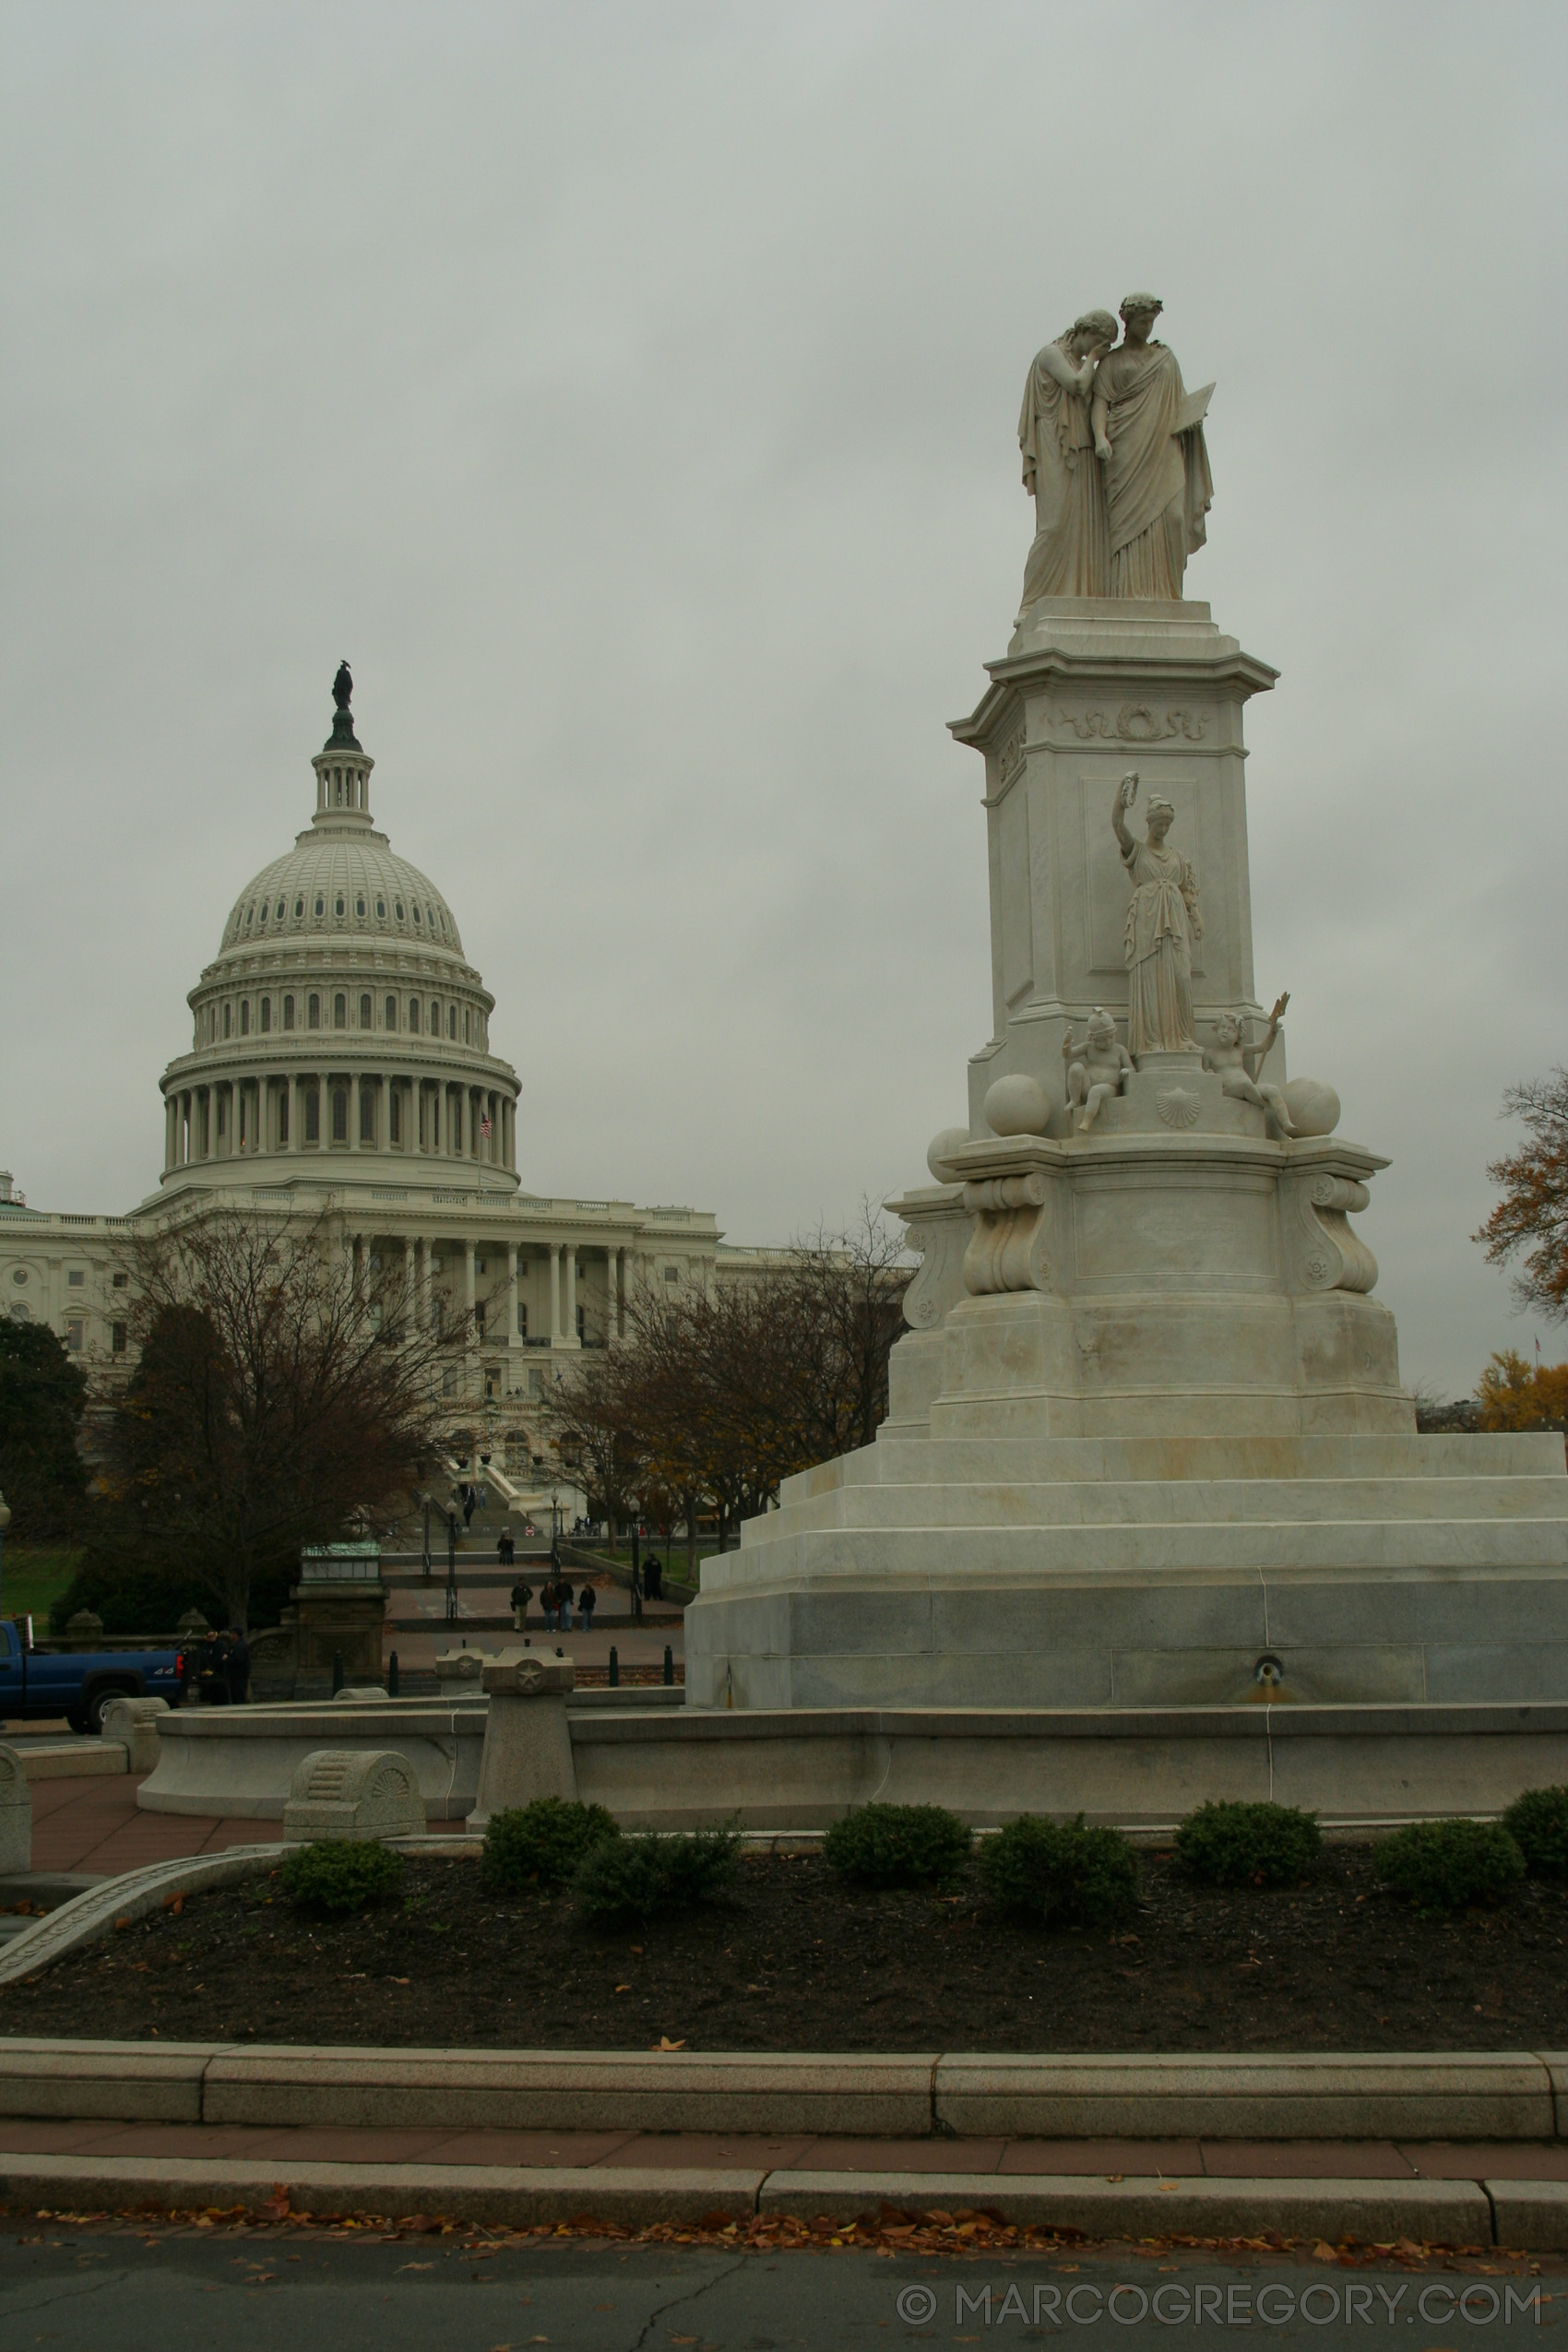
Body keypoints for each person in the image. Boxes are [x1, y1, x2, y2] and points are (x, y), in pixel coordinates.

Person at [1090, 292, 1213, 600]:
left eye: (1151, 322)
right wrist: (1100, 436)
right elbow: (1099, 404)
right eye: (1142, 322)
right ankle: (1127, 593)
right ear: (1127, 322)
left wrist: (1192, 419)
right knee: (1125, 527)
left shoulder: (1165, 359)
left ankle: (1170, 594)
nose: (1147, 328)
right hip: (1125, 448)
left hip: (1164, 445)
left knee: (1174, 517)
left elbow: (1178, 401)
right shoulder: (1111, 362)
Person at [1017, 308, 1117, 601]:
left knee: (1085, 525)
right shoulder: (1052, 354)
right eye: (1101, 342)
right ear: (1086, 333)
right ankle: (1032, 601)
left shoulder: (1084, 363)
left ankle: (1081, 593)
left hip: (1083, 447)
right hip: (1054, 443)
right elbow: (1076, 385)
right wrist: (1094, 358)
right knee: (1054, 523)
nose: (1104, 350)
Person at [1111, 773, 1203, 1056]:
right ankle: (1151, 1042)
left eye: (1167, 824)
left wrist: (1196, 915)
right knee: (1150, 979)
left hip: (1175, 919)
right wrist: (1122, 798)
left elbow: (1187, 891)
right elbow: (1117, 824)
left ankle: (1183, 1037)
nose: (1163, 829)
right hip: (1148, 918)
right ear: (1149, 822)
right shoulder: (1137, 850)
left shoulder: (1178, 857)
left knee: (1181, 979)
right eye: (1159, 823)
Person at [1204, 998, 1295, 1135]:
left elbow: (1264, 1047)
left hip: (1248, 1088)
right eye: (1222, 1027)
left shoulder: (1239, 1050)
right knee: (1244, 1084)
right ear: (1216, 1029)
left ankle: (1286, 1124)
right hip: (1228, 1090)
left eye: (1231, 1030)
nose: (1225, 1032)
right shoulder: (1209, 1053)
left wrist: (1273, 1031)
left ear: (1238, 1036)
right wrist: (1209, 1074)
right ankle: (1266, 1105)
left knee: (1272, 1090)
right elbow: (1205, 1077)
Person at [224, 1626, 250, 1705]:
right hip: (235, 1676)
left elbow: (239, 1660)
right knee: (235, 1697)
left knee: (239, 1697)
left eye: (231, 1633)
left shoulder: (240, 1646)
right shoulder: (236, 1645)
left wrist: (227, 1658)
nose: (230, 1635)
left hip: (239, 1676)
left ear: (235, 1634)